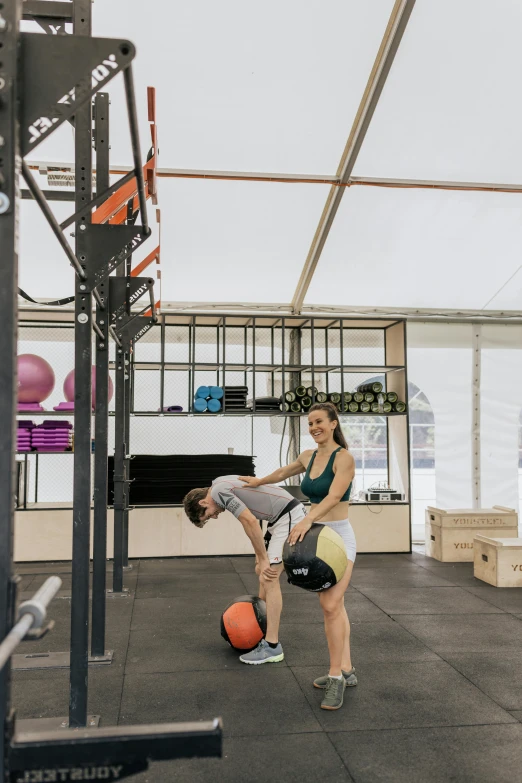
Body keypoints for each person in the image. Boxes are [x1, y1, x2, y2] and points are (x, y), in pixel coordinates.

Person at [239, 402, 356, 711]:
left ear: (333, 424)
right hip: (316, 536)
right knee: (336, 605)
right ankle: (346, 668)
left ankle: (336, 678)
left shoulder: (344, 458)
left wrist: (306, 519)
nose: (313, 427)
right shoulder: (309, 456)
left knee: (330, 604)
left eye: (319, 421)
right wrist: (258, 481)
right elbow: (283, 472)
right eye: (310, 423)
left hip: (338, 536)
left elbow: (333, 496)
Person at [183, 476, 307, 666]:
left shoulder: (218, 492)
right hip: (277, 518)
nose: (214, 516)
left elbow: (248, 520)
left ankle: (272, 647)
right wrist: (260, 557)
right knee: (262, 573)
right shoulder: (218, 483)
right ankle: (262, 632)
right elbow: (253, 513)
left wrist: (264, 558)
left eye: (208, 514)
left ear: (203, 501)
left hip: (288, 515)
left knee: (269, 578)